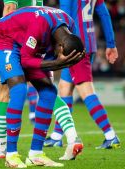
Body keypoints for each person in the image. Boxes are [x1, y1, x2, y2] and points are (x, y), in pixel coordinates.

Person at [0, 0, 83, 161]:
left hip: (30, 42)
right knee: (18, 90)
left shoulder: (70, 25)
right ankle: (11, 155)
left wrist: (57, 62)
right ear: (60, 47)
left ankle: (36, 155)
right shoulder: (41, 24)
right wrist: (55, 63)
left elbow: (49, 55)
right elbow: (25, 61)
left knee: (49, 92)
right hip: (4, 39)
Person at [45, 0, 120, 149]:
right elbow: (104, 13)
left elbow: (63, 17)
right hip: (88, 42)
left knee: (86, 91)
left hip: (74, 46)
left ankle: (110, 136)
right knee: (64, 88)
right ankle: (57, 136)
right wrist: (111, 44)